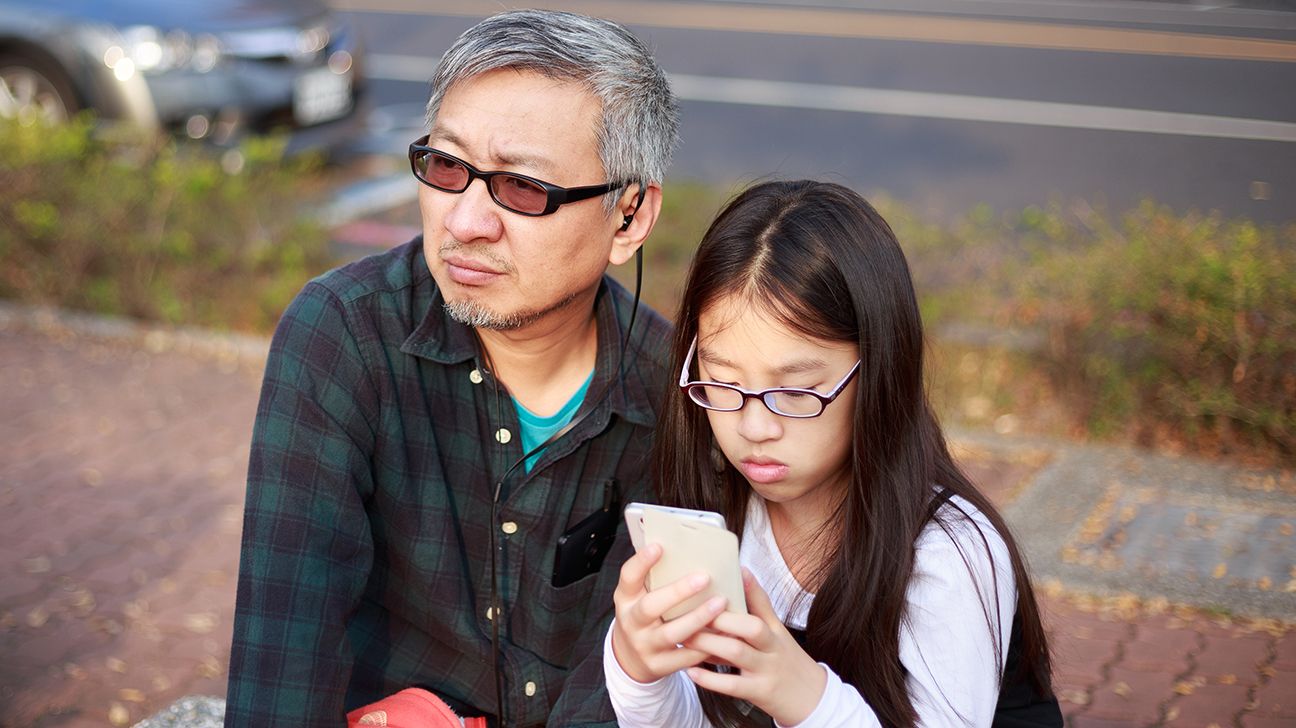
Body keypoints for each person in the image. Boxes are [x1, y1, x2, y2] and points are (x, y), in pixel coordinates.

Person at [223, 10, 679, 726]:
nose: (465, 222)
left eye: (524, 187)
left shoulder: (674, 396)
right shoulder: (345, 337)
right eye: (446, 167)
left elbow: (626, 694)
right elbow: (282, 657)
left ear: (628, 217)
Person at [604, 181, 1063, 727]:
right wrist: (638, 672)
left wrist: (805, 697)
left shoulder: (947, 553)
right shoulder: (714, 513)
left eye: (795, 392)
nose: (754, 427)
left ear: (878, 374)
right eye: (722, 384)